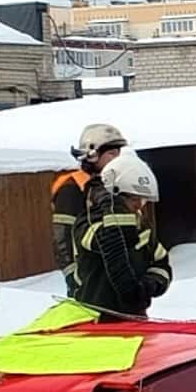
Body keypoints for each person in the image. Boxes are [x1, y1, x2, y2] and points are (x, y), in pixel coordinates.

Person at [72, 154, 172, 318]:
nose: (139, 205)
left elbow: (161, 262)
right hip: (96, 319)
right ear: (116, 197)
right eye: (134, 198)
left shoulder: (141, 225)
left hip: (135, 316)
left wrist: (151, 284)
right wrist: (115, 209)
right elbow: (113, 242)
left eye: (143, 200)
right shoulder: (88, 222)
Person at [52, 124, 128, 295]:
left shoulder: (115, 185)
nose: (118, 159)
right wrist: (73, 276)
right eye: (111, 154)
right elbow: (62, 237)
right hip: (89, 281)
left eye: (119, 153)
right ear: (92, 154)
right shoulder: (73, 188)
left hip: (120, 277)